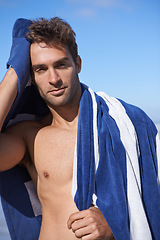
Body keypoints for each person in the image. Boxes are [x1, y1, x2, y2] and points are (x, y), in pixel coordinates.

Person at [0, 17, 160, 240]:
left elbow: (152, 196)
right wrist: (15, 72)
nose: (53, 78)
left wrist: (114, 222)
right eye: (40, 69)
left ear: (78, 64)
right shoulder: (31, 136)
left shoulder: (126, 124)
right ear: (31, 77)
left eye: (61, 64)